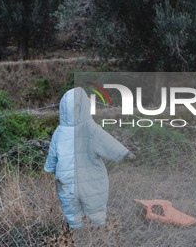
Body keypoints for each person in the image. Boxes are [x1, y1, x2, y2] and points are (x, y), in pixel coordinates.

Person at [44, 87, 134, 229]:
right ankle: (98, 235)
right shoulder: (90, 128)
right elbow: (108, 143)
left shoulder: (59, 131)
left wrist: (50, 167)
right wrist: (124, 154)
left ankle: (77, 233)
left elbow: (53, 154)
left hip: (66, 181)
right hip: (92, 179)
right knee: (96, 209)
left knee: (71, 211)